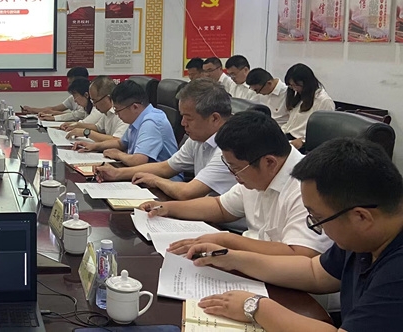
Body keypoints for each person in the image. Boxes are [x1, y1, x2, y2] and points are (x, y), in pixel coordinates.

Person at [185, 138, 403, 332]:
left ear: (361, 217)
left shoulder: (396, 269)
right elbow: (314, 272)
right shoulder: (367, 237)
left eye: (318, 219)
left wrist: (255, 306)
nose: (316, 226)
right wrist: (232, 258)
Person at [139, 111, 331, 257]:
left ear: (269, 162)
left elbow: (301, 254)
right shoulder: (259, 174)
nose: (233, 175)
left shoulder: (307, 187)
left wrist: (227, 241)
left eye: (236, 168)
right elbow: (220, 207)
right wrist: (168, 208)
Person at [95, 78, 236, 200]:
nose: (183, 123)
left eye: (188, 118)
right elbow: (166, 167)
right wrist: (117, 173)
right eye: (182, 117)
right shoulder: (198, 138)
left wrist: (155, 180)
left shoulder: (229, 149)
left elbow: (187, 192)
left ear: (214, 118)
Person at [74, 80, 178, 169]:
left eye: (118, 110)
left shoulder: (151, 122)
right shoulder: (137, 118)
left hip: (163, 180)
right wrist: (94, 146)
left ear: (134, 107)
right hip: (142, 174)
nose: (116, 114)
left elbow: (138, 160)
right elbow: (121, 143)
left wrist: (118, 154)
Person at [282, 63, 335, 150]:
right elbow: (291, 125)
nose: (294, 89)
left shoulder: (324, 101)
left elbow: (324, 132)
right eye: (291, 86)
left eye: (296, 85)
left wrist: (303, 141)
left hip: (304, 144)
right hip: (290, 137)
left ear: (306, 83)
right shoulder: (300, 96)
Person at [64, 76, 128, 142]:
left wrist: (86, 132)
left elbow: (117, 140)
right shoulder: (107, 112)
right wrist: (78, 125)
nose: (94, 105)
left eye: (95, 101)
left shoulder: (123, 114)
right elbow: (98, 128)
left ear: (108, 98)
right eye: (92, 101)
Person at [22, 67, 89, 119]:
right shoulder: (72, 98)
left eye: (71, 83)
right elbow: (54, 108)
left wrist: (53, 114)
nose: (69, 86)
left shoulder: (89, 98)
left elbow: (78, 115)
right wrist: (32, 110)